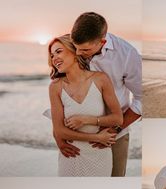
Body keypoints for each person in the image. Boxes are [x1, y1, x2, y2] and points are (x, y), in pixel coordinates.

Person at [67, 12, 142, 176]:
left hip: (114, 135)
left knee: (112, 186)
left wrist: (114, 129)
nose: (78, 53)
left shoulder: (127, 55)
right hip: (77, 135)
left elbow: (141, 99)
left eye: (85, 49)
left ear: (102, 42)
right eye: (76, 47)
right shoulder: (70, 46)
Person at [48, 34, 123, 176]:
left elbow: (118, 118)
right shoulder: (55, 87)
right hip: (71, 154)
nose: (54, 59)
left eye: (58, 52)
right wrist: (97, 138)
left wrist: (86, 119)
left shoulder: (100, 79)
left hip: (99, 155)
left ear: (74, 51)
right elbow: (59, 131)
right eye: (51, 56)